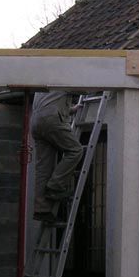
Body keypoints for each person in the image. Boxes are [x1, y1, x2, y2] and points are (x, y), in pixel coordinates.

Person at [31, 91, 82, 222]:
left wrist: (71, 109)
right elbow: (84, 86)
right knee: (75, 150)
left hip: (36, 122)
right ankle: (55, 186)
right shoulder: (65, 73)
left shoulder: (46, 76)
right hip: (51, 120)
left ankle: (41, 210)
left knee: (43, 167)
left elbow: (50, 102)